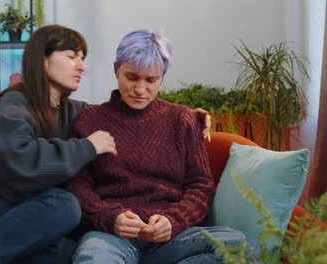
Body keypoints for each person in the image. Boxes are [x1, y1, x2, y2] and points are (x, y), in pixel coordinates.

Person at [0, 26, 211, 264]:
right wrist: (88, 147)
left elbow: (122, 116)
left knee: (71, 252)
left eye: (83, 58)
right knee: (63, 205)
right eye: (72, 56)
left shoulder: (76, 111)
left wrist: (187, 116)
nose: (82, 66)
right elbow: (18, 162)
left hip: (16, 219)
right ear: (43, 61)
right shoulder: (15, 102)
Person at [65, 30, 246, 264]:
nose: (140, 90)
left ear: (162, 77)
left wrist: (174, 220)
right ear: (116, 70)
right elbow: (76, 187)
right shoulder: (88, 120)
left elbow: (201, 185)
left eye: (151, 80)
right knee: (93, 259)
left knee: (241, 243)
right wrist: (110, 217)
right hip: (109, 236)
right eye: (132, 77)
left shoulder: (181, 119)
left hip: (170, 238)